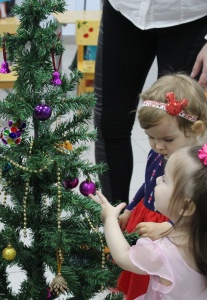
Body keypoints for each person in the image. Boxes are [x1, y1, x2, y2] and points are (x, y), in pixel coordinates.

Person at [94, 0, 207, 204]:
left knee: (177, 130)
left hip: (191, 16)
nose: (157, 146)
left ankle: (176, 228)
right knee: (109, 124)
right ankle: (115, 223)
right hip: (124, 9)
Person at [114, 73, 207, 299]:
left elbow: (200, 215)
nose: (157, 146)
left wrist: (169, 229)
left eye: (167, 139)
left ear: (195, 130)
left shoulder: (197, 169)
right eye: (150, 137)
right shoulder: (157, 153)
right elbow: (148, 185)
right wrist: (131, 209)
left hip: (174, 235)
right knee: (141, 279)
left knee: (159, 281)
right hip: (147, 220)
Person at [89, 141, 207, 299]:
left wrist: (110, 219)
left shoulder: (165, 252)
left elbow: (123, 256)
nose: (157, 180)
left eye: (165, 179)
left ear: (185, 207)